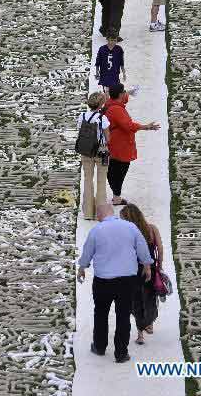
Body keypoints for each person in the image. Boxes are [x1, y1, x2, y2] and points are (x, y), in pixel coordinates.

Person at [77, 203, 154, 363]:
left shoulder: (96, 230)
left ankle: (99, 346)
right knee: (123, 315)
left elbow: (87, 251)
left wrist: (82, 268)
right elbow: (142, 248)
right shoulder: (130, 227)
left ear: (99, 215)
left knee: (101, 313)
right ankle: (121, 353)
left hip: (103, 280)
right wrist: (147, 265)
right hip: (127, 280)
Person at [103, 83, 160, 206]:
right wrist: (146, 127)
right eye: (123, 92)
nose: (125, 94)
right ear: (119, 94)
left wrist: (129, 92)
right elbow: (128, 126)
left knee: (114, 170)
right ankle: (117, 197)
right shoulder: (117, 110)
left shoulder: (110, 103)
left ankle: (115, 194)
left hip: (114, 145)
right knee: (119, 172)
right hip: (120, 146)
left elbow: (123, 98)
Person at [120, 204, 165, 345]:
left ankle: (140, 333)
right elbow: (160, 249)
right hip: (150, 269)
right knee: (150, 298)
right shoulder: (152, 229)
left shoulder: (127, 232)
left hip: (133, 270)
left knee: (136, 301)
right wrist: (160, 266)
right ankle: (149, 323)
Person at [78, 92, 111, 220]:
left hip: (86, 150)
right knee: (101, 181)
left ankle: (88, 212)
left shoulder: (82, 116)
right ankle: (100, 213)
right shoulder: (103, 118)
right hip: (101, 151)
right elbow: (108, 138)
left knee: (87, 180)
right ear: (101, 104)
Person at [94, 29, 126, 93]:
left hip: (115, 75)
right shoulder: (102, 49)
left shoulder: (119, 49)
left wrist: (124, 73)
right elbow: (98, 62)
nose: (113, 42)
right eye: (111, 40)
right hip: (104, 75)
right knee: (106, 91)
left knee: (114, 91)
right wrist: (97, 73)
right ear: (107, 39)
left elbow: (121, 62)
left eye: (115, 40)